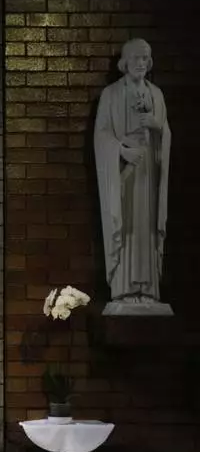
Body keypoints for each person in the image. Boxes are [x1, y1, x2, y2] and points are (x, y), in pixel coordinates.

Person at [94, 37, 173, 314]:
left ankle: (148, 289)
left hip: (149, 173)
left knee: (146, 227)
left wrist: (157, 125)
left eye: (145, 58)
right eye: (136, 57)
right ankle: (124, 288)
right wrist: (122, 151)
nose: (141, 63)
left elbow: (165, 134)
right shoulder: (111, 94)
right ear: (125, 62)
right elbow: (101, 134)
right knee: (126, 225)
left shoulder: (156, 94)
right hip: (124, 174)